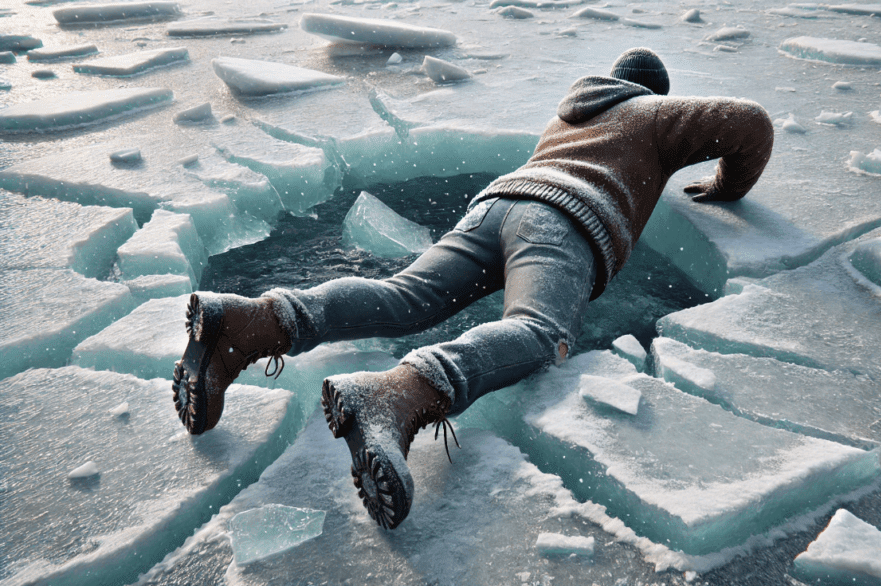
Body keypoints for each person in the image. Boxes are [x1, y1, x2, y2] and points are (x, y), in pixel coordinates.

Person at [171, 47, 774, 530]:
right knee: (541, 331)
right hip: (564, 220)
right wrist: (727, 183)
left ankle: (250, 322)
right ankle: (396, 394)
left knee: (406, 294)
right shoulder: (650, 113)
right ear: (651, 92)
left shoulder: (571, 113)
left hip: (497, 204)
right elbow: (750, 125)